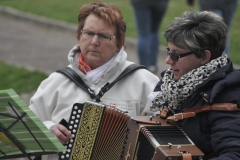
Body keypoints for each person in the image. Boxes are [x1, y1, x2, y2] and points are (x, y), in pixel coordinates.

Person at [29, 1, 159, 159]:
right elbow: (26, 131)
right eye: (89, 33)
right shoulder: (57, 82)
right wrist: (47, 128)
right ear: (79, 36)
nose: (94, 41)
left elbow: (161, 140)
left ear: (119, 43)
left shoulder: (145, 83)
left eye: (104, 36)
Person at [149, 10, 240, 159]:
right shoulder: (169, 84)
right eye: (168, 51)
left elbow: (234, 154)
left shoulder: (226, 96)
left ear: (204, 56)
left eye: (176, 55)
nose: (168, 61)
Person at [130, 0, 169, 74]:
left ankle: (143, 67)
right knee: (154, 31)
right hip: (160, 3)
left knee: (143, 34)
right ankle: (152, 64)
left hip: (141, 3)